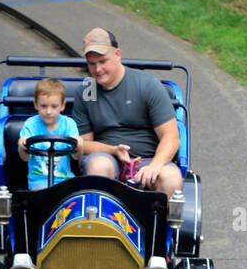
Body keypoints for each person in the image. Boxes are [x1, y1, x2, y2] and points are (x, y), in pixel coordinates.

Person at [71, 27, 183, 194]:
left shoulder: (146, 84)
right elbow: (84, 144)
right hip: (107, 157)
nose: (97, 70)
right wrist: (113, 150)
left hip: (149, 158)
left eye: (103, 61)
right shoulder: (88, 90)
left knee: (171, 179)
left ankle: (161, 219)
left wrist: (154, 166)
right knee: (99, 167)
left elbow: (171, 136)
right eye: (91, 64)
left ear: (117, 55)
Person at [18, 77, 84, 190]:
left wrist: (79, 145)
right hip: (38, 181)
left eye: (54, 106)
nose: (48, 112)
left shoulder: (69, 124)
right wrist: (22, 145)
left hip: (64, 180)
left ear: (62, 106)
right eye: (43, 106)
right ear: (36, 104)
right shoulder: (30, 125)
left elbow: (76, 156)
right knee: (46, 197)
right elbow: (25, 158)